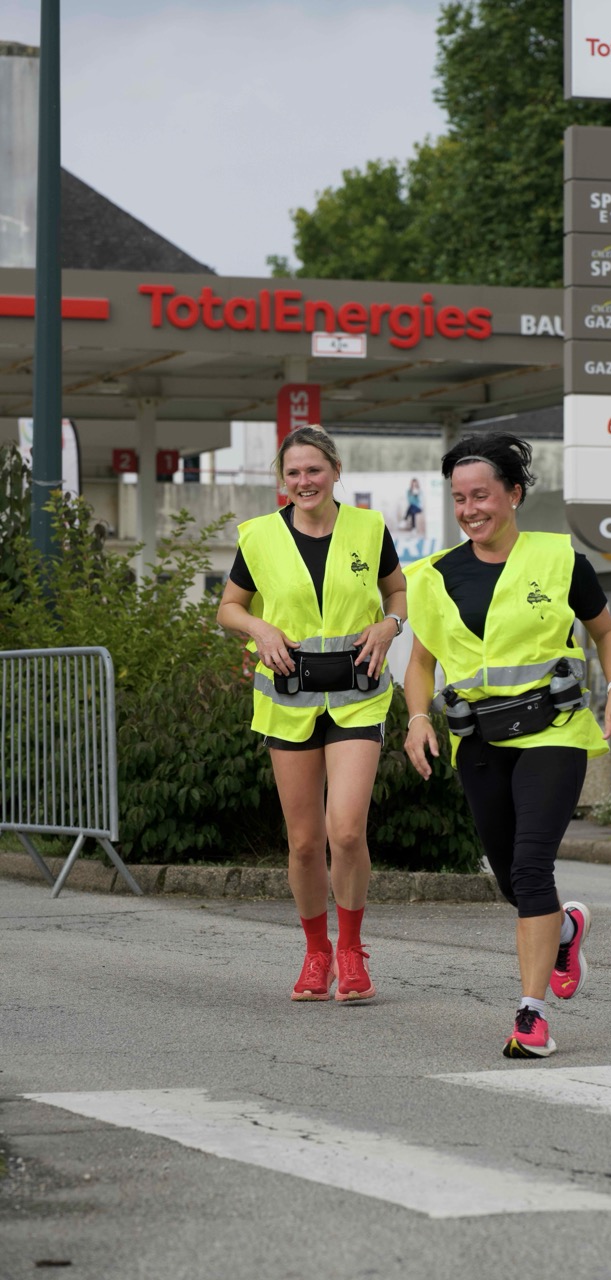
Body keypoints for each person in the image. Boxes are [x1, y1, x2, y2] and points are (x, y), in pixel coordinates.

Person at [403, 432, 611, 1058]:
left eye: (481, 495)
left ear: (513, 494)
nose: (469, 509)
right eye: (459, 498)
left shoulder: (560, 560)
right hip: (479, 739)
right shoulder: (434, 576)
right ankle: (564, 929)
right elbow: (421, 661)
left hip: (552, 732)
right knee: (510, 878)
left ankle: (531, 1015)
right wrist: (417, 718)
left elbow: (605, 632)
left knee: (533, 868)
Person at [217, 425, 407, 1004]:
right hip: (289, 697)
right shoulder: (259, 537)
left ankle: (351, 950)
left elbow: (398, 592)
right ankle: (316, 952)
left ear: (335, 471)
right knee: (303, 843)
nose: (304, 481)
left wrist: (391, 624)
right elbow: (228, 608)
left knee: (345, 830)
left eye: (314, 470)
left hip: (358, 693)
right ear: (282, 479)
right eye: (294, 472)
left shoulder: (369, 528)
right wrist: (259, 627)